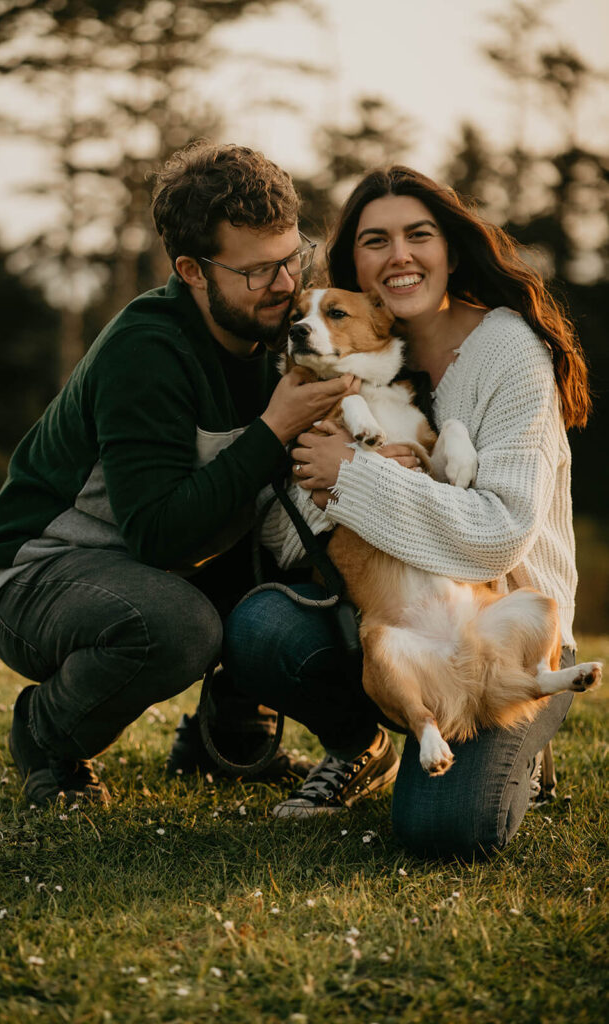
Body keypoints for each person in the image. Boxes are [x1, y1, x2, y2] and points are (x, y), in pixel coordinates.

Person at [0, 141, 362, 807]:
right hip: (39, 573)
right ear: (193, 270)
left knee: (312, 540)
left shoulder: (283, 331)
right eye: (258, 271)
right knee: (175, 626)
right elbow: (157, 536)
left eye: (291, 258)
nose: (286, 285)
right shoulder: (146, 350)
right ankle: (46, 734)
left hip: (160, 564)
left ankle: (228, 736)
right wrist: (274, 427)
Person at [223, 165, 591, 859]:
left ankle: (520, 745)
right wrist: (305, 455)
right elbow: (284, 538)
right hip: (393, 618)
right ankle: (358, 747)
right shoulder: (326, 363)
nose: (398, 255)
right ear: (353, 267)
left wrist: (357, 478)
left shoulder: (508, 352)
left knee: (445, 830)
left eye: (417, 235)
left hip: (500, 622)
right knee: (262, 626)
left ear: (449, 248)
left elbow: (501, 536)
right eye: (374, 241)